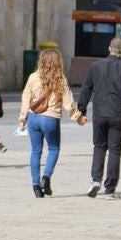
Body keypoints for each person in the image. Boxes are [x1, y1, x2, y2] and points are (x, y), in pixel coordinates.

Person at [77, 35, 121, 200]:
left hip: (99, 113)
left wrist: (81, 111)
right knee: (115, 151)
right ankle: (110, 189)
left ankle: (95, 180)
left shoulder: (95, 67)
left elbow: (86, 89)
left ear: (109, 49)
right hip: (118, 115)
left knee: (99, 147)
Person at [18, 48, 81, 198]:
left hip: (33, 118)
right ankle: (46, 178)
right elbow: (68, 102)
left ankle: (36, 186)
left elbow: (25, 97)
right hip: (50, 118)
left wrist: (22, 119)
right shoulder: (60, 78)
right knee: (53, 149)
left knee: (35, 152)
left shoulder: (33, 77)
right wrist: (77, 117)